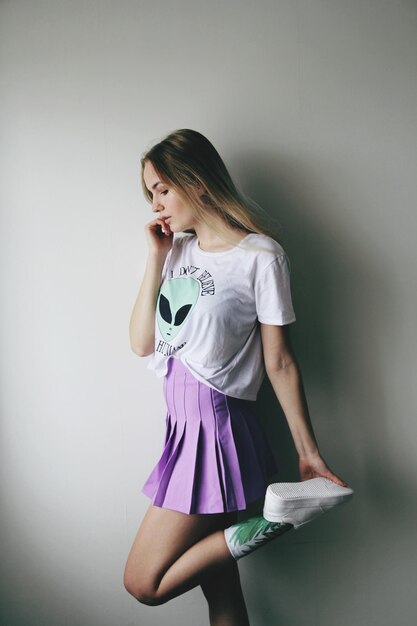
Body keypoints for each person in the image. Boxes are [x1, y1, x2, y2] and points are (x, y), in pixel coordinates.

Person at [123, 129, 351, 624]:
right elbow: (142, 342)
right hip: (181, 434)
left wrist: (307, 454)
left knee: (142, 582)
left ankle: (274, 520)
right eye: (150, 193)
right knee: (223, 596)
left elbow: (280, 362)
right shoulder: (177, 251)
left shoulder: (260, 256)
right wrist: (156, 257)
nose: (155, 202)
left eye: (162, 188)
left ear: (197, 181)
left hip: (217, 432)